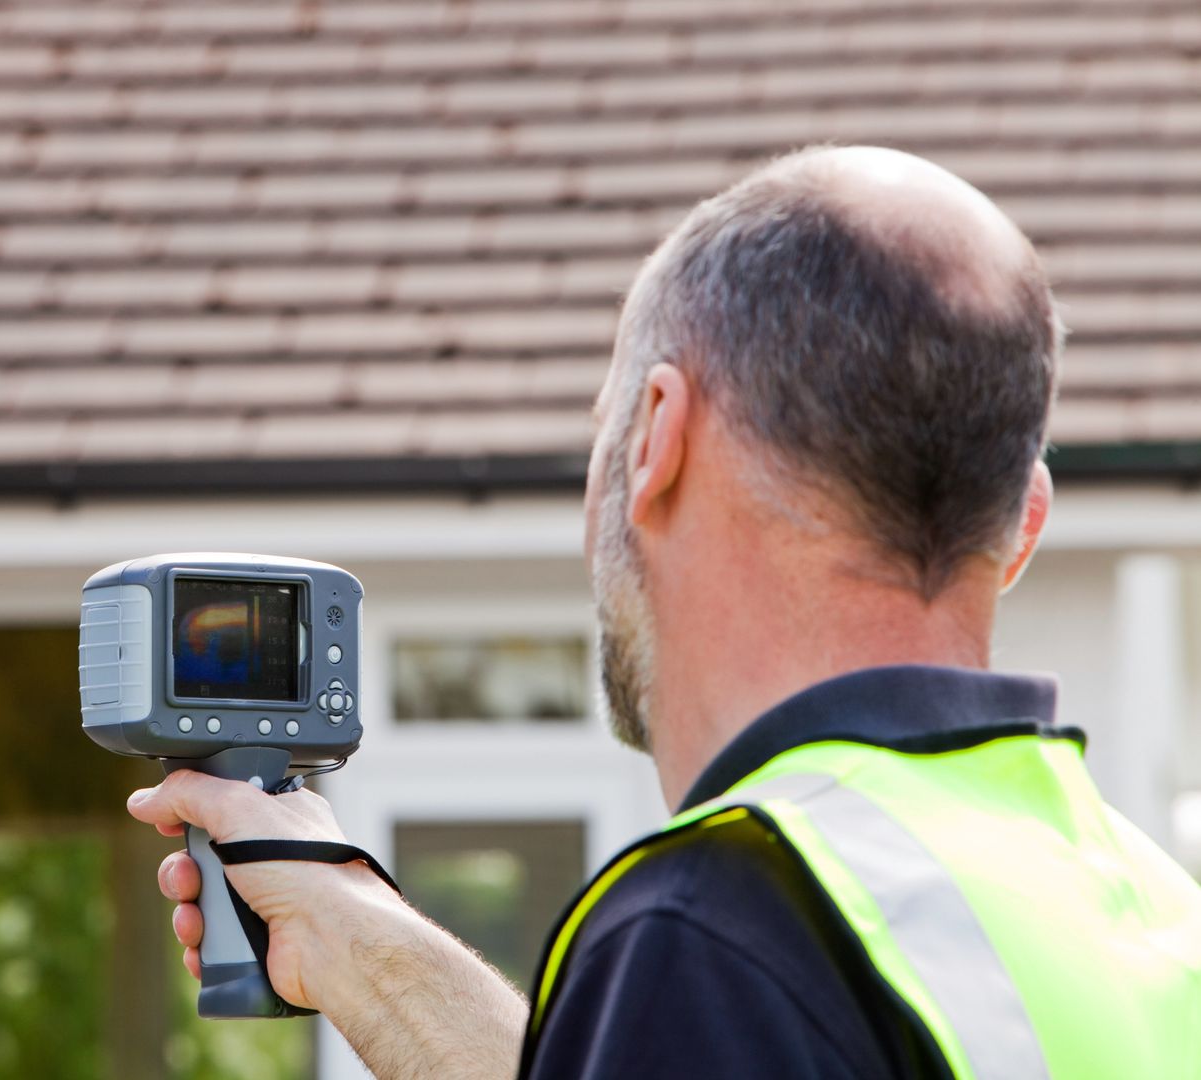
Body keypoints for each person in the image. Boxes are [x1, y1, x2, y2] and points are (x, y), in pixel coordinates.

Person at [127, 146, 1201, 1079]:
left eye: (603, 431)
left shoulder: (719, 932)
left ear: (655, 437)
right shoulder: (1145, 913)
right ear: (1023, 525)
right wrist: (363, 941)